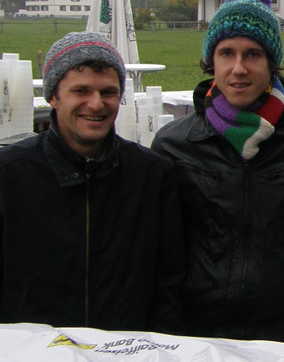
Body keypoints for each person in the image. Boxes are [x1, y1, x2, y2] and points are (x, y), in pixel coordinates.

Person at [152, 0, 284, 344]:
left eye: (253, 54)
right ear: (211, 61)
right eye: (226, 53)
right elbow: (165, 246)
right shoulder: (175, 146)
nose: (239, 68)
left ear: (271, 62)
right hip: (200, 333)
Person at [0, 31, 184, 333]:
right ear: (53, 97)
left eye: (108, 92)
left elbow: (169, 279)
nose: (96, 104)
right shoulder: (10, 174)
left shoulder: (152, 176)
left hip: (129, 351)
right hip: (33, 354)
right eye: (81, 91)